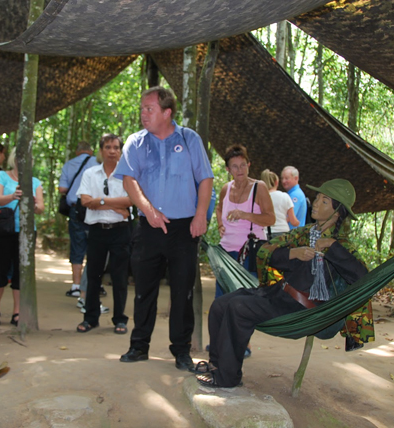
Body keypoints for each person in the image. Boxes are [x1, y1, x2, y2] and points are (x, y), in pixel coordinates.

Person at [197, 179, 371, 388]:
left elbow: (363, 279)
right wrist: (292, 253)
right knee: (220, 305)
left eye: (324, 201)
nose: (315, 203)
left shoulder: (344, 247)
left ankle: (228, 378)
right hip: (277, 294)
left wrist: (332, 247)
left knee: (238, 308)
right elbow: (265, 251)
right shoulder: (303, 234)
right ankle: (217, 366)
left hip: (301, 309)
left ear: (337, 213)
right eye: (317, 198)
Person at [114, 86, 214, 371]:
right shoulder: (136, 142)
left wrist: (200, 215)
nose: (143, 114)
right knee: (144, 289)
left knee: (182, 290)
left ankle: (181, 350)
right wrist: (149, 211)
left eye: (150, 109)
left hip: (184, 229)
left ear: (167, 112)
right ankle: (139, 345)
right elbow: (129, 180)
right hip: (148, 228)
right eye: (142, 109)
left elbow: (205, 179)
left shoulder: (189, 138)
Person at [75, 134, 132, 334]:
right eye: (108, 147)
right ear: (101, 151)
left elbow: (129, 201)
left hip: (120, 231)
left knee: (119, 277)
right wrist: (114, 204)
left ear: (120, 151)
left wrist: (99, 201)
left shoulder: (127, 175)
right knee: (93, 275)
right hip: (97, 231)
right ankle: (90, 318)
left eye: (116, 147)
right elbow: (84, 201)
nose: (112, 151)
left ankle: (120, 319)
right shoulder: (90, 174)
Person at [0, 148, 44, 326]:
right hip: (3, 230)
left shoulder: (35, 182)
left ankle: (17, 312)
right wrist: (13, 196)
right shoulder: (3, 176)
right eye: (20, 157)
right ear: (14, 159)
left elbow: (41, 208)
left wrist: (35, 203)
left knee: (21, 272)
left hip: (25, 232)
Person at [215, 145, 275, 298]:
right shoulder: (226, 189)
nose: (239, 170)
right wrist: (220, 225)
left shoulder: (258, 187)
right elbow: (219, 208)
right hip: (226, 254)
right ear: (228, 169)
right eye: (234, 166)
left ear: (249, 165)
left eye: (243, 165)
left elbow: (270, 218)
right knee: (222, 301)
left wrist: (245, 215)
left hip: (250, 254)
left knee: (246, 302)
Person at [59, 141, 98, 297]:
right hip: (94, 207)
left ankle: (76, 285)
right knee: (95, 246)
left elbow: (62, 189)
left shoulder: (69, 164)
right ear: (91, 151)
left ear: (77, 152)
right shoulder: (97, 163)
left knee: (77, 246)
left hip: (76, 208)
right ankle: (91, 284)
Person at [261, 169, 298, 238]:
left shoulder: (260, 198)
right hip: (283, 233)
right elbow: (293, 221)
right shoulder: (285, 196)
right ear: (276, 182)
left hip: (266, 234)